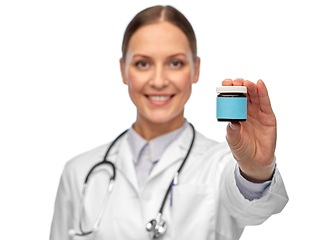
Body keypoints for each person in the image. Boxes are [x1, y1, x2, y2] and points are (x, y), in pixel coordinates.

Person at [50, 5, 288, 240]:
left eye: (175, 63)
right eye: (143, 63)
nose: (159, 80)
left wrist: (256, 170)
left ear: (196, 70)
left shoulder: (223, 166)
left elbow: (256, 208)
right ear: (123, 71)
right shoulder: (79, 172)